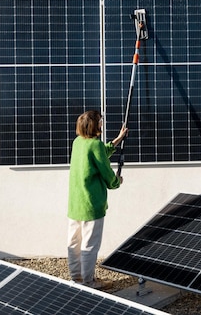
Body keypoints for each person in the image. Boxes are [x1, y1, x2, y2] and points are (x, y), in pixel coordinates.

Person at [67, 110, 127, 289]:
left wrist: (117, 139)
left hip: (75, 204)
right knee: (89, 245)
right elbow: (106, 172)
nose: (102, 123)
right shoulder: (95, 145)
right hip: (91, 204)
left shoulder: (78, 142)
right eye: (100, 121)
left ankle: (76, 278)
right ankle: (88, 282)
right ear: (94, 125)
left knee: (74, 243)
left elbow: (96, 156)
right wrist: (117, 181)